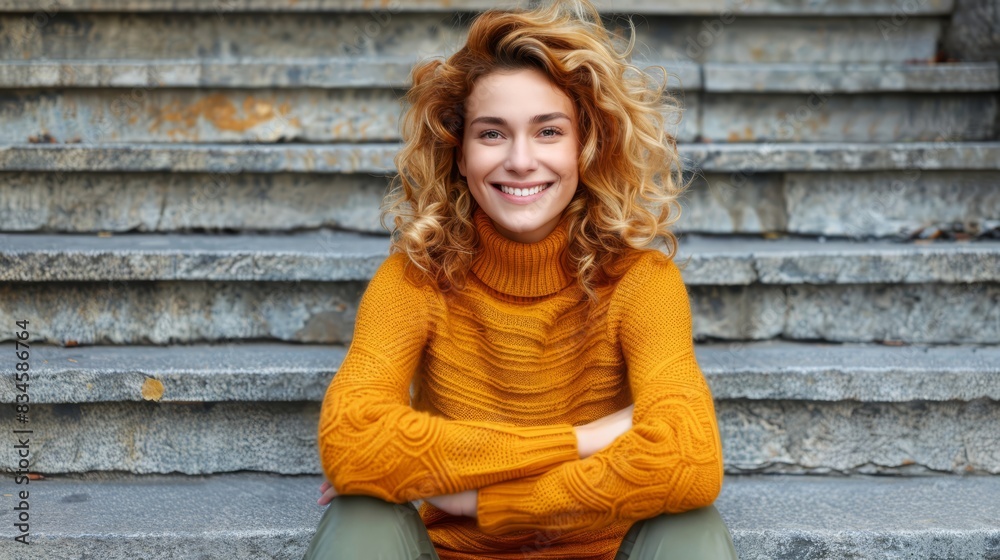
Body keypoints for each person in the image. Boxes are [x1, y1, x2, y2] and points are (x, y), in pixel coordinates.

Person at [303, 0, 738, 558]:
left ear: (585, 148)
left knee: (691, 525)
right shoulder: (415, 281)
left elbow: (691, 457)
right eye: (492, 134)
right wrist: (590, 437)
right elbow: (352, 440)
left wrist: (484, 501)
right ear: (459, 155)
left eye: (549, 131)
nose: (521, 160)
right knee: (360, 514)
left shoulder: (641, 282)